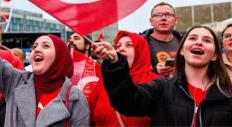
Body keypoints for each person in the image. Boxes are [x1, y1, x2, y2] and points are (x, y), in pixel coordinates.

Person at [93, 25, 232, 127]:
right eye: (193, 38)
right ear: (182, 50)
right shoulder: (162, 88)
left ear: (215, 55)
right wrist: (115, 63)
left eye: (207, 40)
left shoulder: (227, 95)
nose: (199, 42)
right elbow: (127, 101)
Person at [89, 31, 160, 127]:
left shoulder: (157, 84)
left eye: (129, 45)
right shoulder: (104, 83)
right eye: (118, 46)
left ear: (141, 51)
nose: (121, 49)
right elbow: (90, 120)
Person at [140, 2, 183, 77]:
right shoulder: (140, 43)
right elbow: (134, 70)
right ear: (151, 21)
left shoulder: (185, 42)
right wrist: (154, 70)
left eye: (168, 14)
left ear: (176, 20)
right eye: (158, 15)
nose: (163, 18)